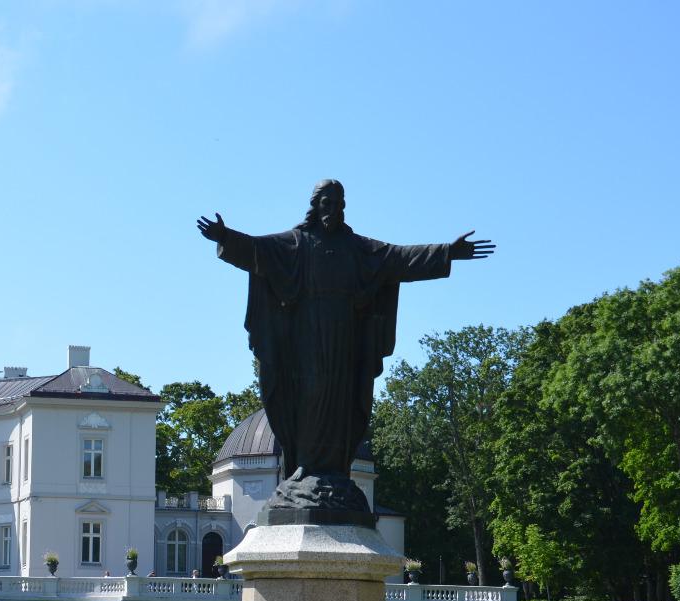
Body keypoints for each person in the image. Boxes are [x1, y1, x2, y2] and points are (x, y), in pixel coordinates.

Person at [198, 181, 492, 513]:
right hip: (306, 337)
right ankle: (306, 467)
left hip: (346, 338)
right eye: (326, 202)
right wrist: (225, 237)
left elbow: (400, 258)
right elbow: (257, 250)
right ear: (315, 205)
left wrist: (447, 252)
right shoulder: (296, 243)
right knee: (310, 397)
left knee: (343, 402)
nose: (333, 209)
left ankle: (335, 471)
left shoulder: (358, 249)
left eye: (338, 204)